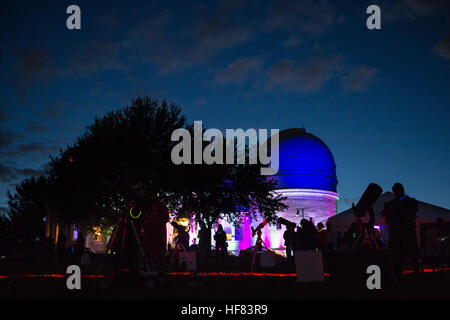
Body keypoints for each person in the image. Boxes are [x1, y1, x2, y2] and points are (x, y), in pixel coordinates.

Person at [382, 183, 419, 280]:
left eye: (397, 191)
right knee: (397, 257)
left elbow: (411, 213)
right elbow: (386, 217)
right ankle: (399, 276)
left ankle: (415, 275)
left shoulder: (410, 202)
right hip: (396, 234)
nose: (396, 193)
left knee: (412, 255)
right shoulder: (392, 204)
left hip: (407, 233)